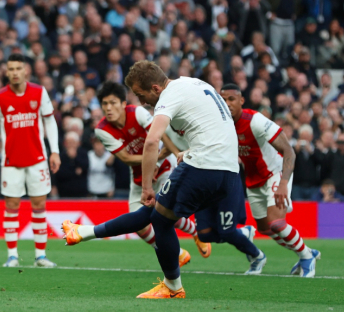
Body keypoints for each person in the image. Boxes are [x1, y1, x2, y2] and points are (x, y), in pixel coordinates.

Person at [63, 61, 263, 299]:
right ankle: (83, 232)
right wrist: (185, 152)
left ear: (156, 88)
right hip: (229, 173)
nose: (142, 102)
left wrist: (147, 186)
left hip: (204, 165)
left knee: (159, 218)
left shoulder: (169, 96)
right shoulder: (193, 83)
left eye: (142, 95)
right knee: (159, 215)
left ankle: (173, 286)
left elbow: (151, 141)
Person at [94, 81, 211, 265]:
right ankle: (178, 253)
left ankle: (195, 232)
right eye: (105, 104)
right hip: (139, 174)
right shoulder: (101, 130)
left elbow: (162, 136)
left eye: (113, 103)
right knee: (137, 223)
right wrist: (150, 160)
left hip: (165, 164)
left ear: (123, 103)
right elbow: (125, 158)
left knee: (163, 209)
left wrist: (165, 156)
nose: (108, 108)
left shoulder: (138, 112)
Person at [220, 83, 321, 278]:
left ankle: (307, 256)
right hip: (253, 179)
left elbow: (289, 150)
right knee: (265, 228)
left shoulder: (255, 120)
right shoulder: (221, 123)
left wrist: (283, 183)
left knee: (277, 224)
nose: (227, 103)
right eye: (223, 100)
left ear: (241, 101)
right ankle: (307, 251)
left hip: (275, 172)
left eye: (231, 99)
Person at [0, 53, 61, 268]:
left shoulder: (38, 92)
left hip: (37, 159)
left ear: (26, 70)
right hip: (10, 161)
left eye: (18, 68)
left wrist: (54, 151)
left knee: (39, 205)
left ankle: (40, 256)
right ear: (6, 72)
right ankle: (12, 256)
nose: (15, 73)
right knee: (11, 205)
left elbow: (50, 122)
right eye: (11, 69)